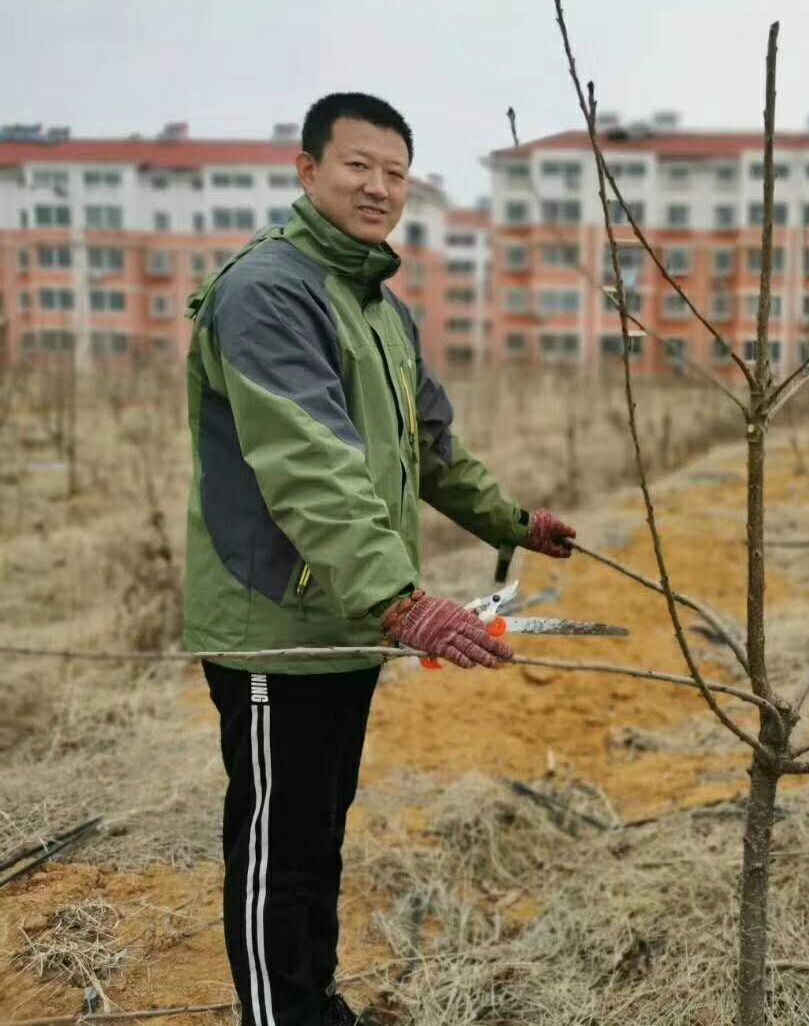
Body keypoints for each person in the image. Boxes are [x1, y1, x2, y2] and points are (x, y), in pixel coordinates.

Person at [183, 92, 577, 1026]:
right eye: (359, 165)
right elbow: (310, 467)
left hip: (349, 619)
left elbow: (431, 450)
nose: (379, 187)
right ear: (308, 171)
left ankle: (313, 1004)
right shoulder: (268, 292)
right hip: (279, 626)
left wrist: (515, 522)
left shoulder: (377, 310)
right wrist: (401, 600)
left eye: (396, 173)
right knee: (278, 847)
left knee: (319, 835)